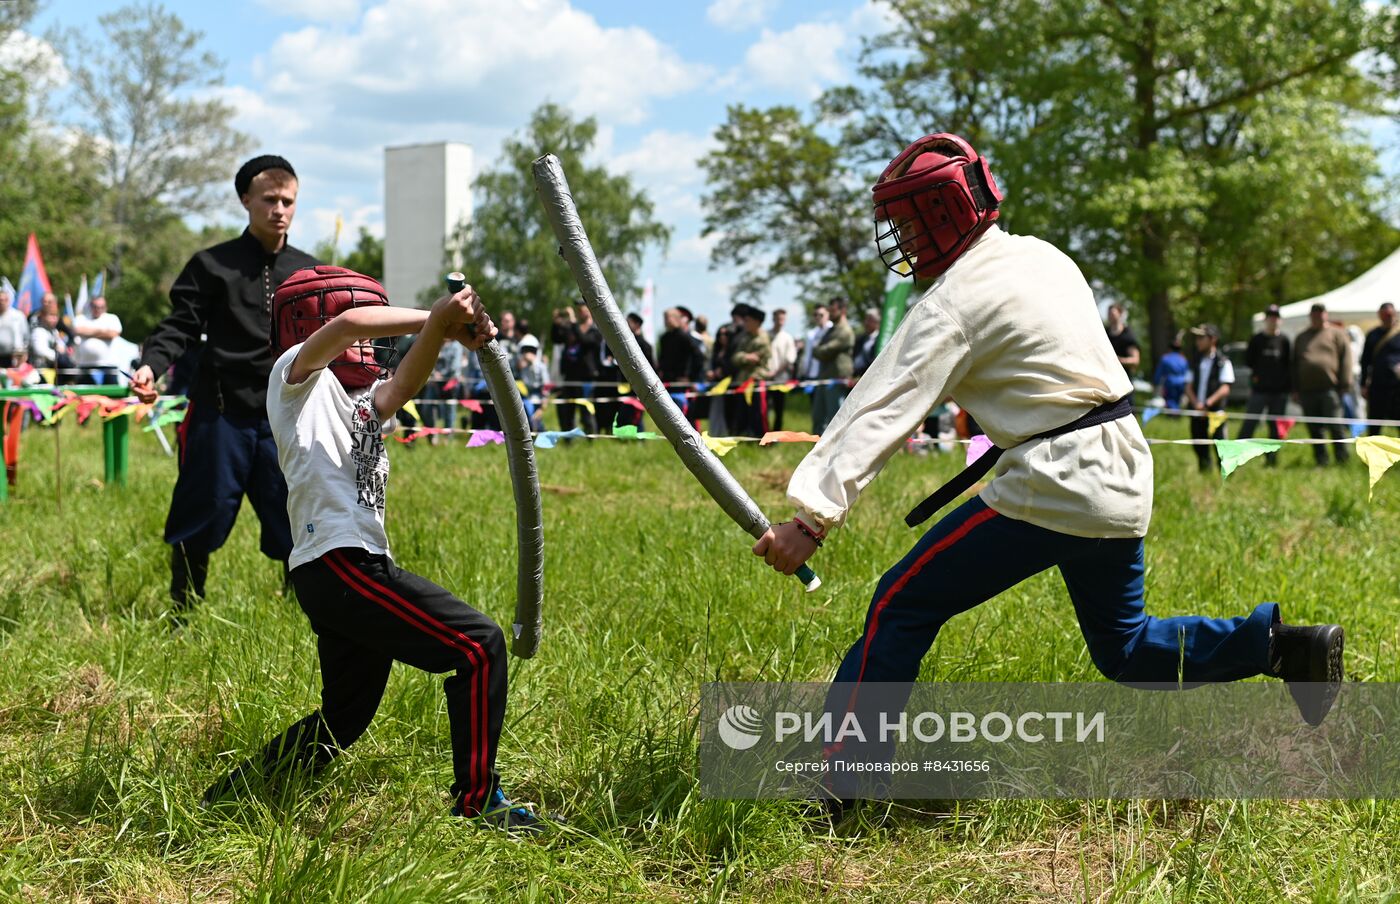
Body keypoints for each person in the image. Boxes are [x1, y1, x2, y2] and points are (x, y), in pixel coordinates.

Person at [750, 133, 1344, 811]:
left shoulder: (954, 302)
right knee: (1124, 649)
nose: (905, 240)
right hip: (1121, 470)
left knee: (900, 604)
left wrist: (811, 516)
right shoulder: (1044, 258)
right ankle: (1281, 649)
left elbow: (879, 406)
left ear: (946, 214)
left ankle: (841, 782)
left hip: (1056, 477)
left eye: (911, 222)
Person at [199, 266, 555, 833]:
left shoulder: (359, 402)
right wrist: (435, 316)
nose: (369, 344)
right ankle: (478, 800)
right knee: (479, 645)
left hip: (347, 569)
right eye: (361, 333)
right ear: (305, 325)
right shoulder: (294, 380)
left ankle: (225, 801)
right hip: (341, 562)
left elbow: (402, 385)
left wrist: (440, 334)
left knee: (343, 718)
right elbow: (349, 325)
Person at [131, 155, 319, 616]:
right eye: (269, 199)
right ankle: (184, 611)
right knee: (202, 510)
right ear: (246, 201)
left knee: (296, 516)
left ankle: (305, 614)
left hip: (287, 416)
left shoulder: (310, 273)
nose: (279, 209)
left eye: (288, 201)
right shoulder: (211, 265)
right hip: (220, 412)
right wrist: (151, 366)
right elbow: (178, 325)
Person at [1292, 302, 1352, 466]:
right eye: (1314, 314)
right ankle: (1321, 460)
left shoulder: (1336, 334)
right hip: (1307, 391)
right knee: (1314, 428)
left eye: (1320, 313)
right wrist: (1295, 388)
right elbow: (1294, 363)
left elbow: (1346, 359)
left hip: (1330, 389)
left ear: (1326, 314)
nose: (1318, 316)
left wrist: (1345, 384)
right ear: (1310, 316)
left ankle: (1342, 459)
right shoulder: (1302, 337)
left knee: (1335, 426)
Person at [1236, 304, 1291, 465]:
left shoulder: (1285, 340)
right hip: (1259, 391)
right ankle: (1237, 456)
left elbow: (1289, 365)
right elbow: (1249, 362)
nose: (1273, 320)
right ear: (1265, 320)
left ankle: (1272, 460)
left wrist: (1288, 388)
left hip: (1279, 393)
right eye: (1270, 317)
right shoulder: (1256, 339)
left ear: (1279, 320)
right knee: (1249, 424)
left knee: (1275, 428)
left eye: (1275, 317)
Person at [1184, 323, 1234, 472]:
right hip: (1197, 411)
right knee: (1199, 444)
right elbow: (1188, 386)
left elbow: (1225, 388)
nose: (1198, 341)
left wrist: (1207, 403)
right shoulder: (1195, 360)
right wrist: (1197, 405)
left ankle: (1225, 477)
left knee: (1221, 446)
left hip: (1215, 412)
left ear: (1213, 339)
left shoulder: (1223, 361)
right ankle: (1205, 472)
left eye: (1201, 337)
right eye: (1197, 338)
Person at [550, 300, 600, 435]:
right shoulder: (572, 328)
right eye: (578, 310)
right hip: (569, 377)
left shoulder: (595, 331)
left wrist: (572, 322)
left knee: (586, 412)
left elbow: (584, 340)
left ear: (590, 311)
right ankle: (568, 440)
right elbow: (556, 339)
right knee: (567, 411)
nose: (579, 312)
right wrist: (556, 323)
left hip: (586, 378)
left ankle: (591, 439)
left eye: (582, 309)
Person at [810, 298, 854, 435]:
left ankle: (836, 451)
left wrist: (818, 350)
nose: (830, 313)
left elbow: (824, 351)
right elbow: (817, 351)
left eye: (833, 310)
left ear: (843, 310)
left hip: (836, 380)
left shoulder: (845, 331)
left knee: (835, 419)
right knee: (818, 417)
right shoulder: (831, 330)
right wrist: (817, 350)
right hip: (824, 379)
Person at [728, 304, 771, 438]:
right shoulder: (745, 338)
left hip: (756, 381)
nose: (745, 323)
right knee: (742, 414)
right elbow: (735, 357)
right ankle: (745, 439)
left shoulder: (763, 339)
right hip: (743, 381)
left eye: (748, 320)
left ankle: (763, 441)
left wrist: (743, 357)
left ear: (756, 322)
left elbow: (758, 360)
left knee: (759, 415)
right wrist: (746, 357)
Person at [1360, 302, 1399, 436]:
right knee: (1374, 428)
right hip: (1378, 387)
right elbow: (1365, 361)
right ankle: (1374, 456)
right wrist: (1363, 384)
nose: (1388, 318)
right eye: (1385, 315)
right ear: (1380, 316)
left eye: (1390, 315)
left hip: (1397, 388)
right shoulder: (1373, 335)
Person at [73, 295, 125, 383]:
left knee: (112, 395)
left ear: (106, 307)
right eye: (95, 307)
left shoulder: (112, 318)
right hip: (85, 365)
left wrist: (88, 333)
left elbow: (112, 334)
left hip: (108, 365)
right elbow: (77, 330)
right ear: (90, 306)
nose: (98, 309)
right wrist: (102, 331)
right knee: (85, 396)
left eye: (101, 307)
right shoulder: (80, 318)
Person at [767, 308, 798, 431]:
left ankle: (776, 435)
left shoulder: (787, 337)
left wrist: (775, 372)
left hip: (780, 378)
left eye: (783, 319)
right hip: (765, 377)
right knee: (764, 408)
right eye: (778, 319)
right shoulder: (766, 335)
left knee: (778, 408)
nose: (780, 321)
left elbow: (789, 359)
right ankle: (764, 433)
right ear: (773, 319)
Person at [29, 305, 74, 378]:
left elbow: (60, 346)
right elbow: (40, 350)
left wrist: (64, 350)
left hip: (53, 372)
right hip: (40, 372)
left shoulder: (54, 331)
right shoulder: (38, 331)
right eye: (51, 316)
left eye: (56, 316)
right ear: (42, 316)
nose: (54, 319)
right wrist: (58, 356)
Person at [516, 338, 550, 432]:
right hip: (525, 396)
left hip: (537, 396)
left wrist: (545, 400)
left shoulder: (540, 366)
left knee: (536, 421)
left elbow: (546, 384)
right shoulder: (522, 367)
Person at [1152, 335, 1190, 411]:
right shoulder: (1184, 359)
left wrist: (1155, 382)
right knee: (1177, 400)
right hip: (1181, 383)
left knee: (1170, 400)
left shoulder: (1165, 358)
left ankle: (1173, 415)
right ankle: (1176, 413)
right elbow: (1187, 373)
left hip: (1170, 382)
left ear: (1170, 348)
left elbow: (1159, 373)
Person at [1104, 304, 1140, 379]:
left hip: (1124, 379)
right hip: (1107, 377)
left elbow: (1135, 360)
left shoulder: (1127, 335)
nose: (1110, 316)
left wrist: (1119, 360)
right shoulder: (1104, 334)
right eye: (1109, 314)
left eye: (1112, 314)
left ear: (1120, 314)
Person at [0, 287, 30, 368]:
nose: (2, 302)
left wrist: (23, 353)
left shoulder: (18, 316)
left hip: (14, 356)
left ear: (8, 300)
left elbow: (26, 336)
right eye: (0, 300)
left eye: (4, 300)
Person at [852, 308, 881, 376]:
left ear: (877, 322)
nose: (866, 323)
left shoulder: (880, 341)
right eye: (866, 319)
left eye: (870, 320)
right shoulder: (859, 339)